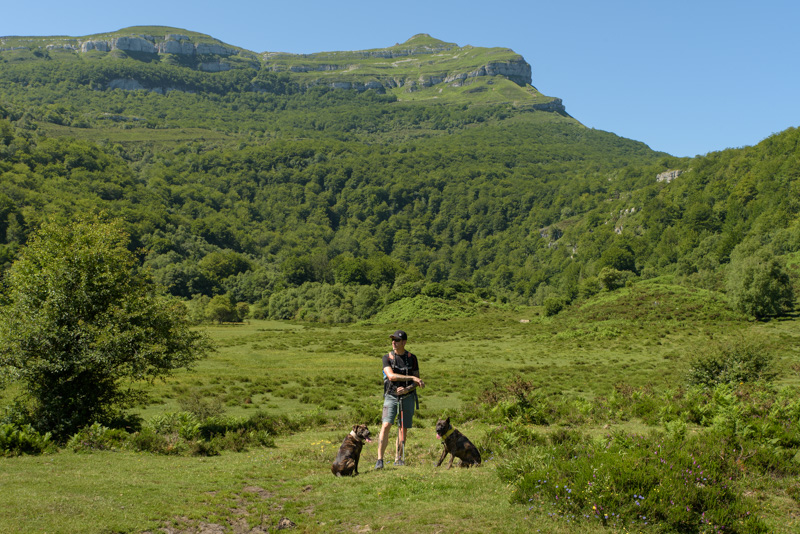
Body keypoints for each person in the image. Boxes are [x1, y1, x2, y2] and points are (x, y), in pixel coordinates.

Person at [375, 329, 424, 469]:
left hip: (408, 397)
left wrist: (408, 388)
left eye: (396, 340)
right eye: (392, 340)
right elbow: (391, 376)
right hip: (390, 396)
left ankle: (399, 458)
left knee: (403, 428)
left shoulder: (412, 358)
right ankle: (380, 460)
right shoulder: (387, 358)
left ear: (404, 342)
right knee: (386, 425)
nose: (393, 342)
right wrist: (412, 378)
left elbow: (417, 381)